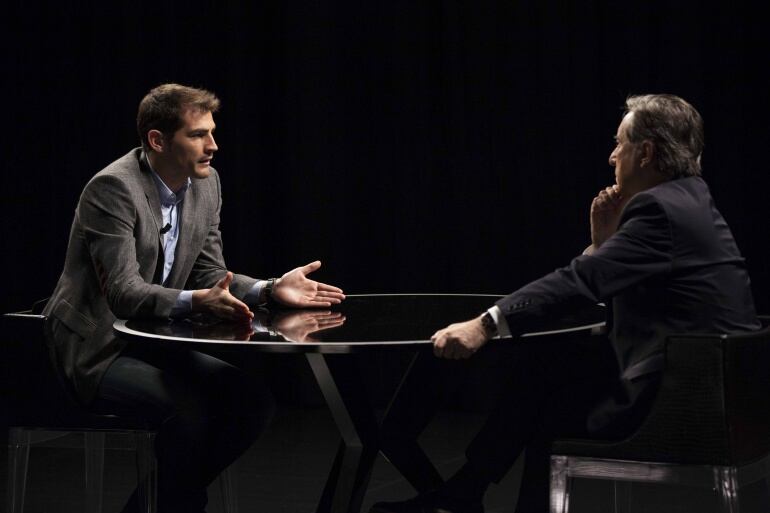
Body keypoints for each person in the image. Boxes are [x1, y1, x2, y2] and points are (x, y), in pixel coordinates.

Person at [371, 94, 760, 513]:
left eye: (620, 143)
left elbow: (579, 282)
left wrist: (483, 325)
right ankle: (465, 490)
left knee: (549, 395)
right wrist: (602, 244)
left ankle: (464, 491)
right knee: (552, 365)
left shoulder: (659, 209)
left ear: (645, 152)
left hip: (679, 410)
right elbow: (607, 278)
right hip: (724, 402)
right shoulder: (692, 199)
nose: (612, 156)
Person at [43, 83, 345, 513]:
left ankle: (153, 506)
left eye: (212, 132)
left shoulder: (205, 185)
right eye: (198, 134)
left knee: (251, 402)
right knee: (188, 413)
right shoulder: (113, 189)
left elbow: (208, 273)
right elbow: (124, 292)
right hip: (95, 348)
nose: (213, 145)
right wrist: (194, 300)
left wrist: (269, 288)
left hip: (150, 343)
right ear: (157, 140)